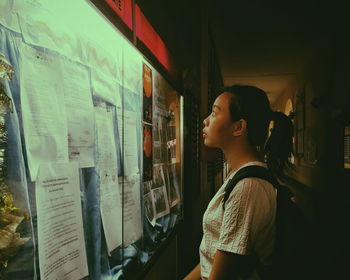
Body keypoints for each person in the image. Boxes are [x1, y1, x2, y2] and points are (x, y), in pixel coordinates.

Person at [183, 85, 293, 280]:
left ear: (239, 127)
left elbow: (224, 273)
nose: (205, 120)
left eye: (215, 112)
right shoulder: (239, 176)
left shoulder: (248, 186)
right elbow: (211, 255)